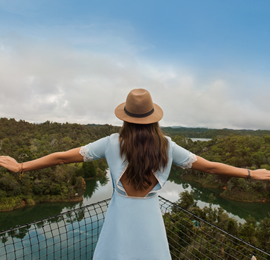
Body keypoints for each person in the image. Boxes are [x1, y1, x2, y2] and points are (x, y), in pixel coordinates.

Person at [0, 88, 270, 260]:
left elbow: (60, 158)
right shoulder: (168, 147)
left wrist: (22, 166)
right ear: (154, 118)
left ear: (125, 118)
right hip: (150, 225)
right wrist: (250, 173)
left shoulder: (110, 143)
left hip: (119, 223)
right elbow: (210, 166)